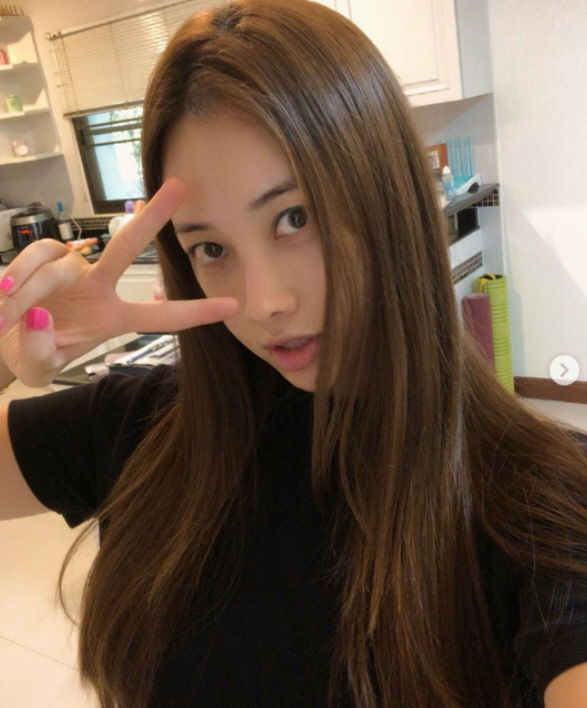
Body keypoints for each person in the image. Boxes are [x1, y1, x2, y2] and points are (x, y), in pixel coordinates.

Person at [1, 0, 587, 706]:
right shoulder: (141, 430)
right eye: (210, 248)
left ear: (386, 194)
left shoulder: (540, 500)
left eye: (293, 217)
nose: (264, 302)